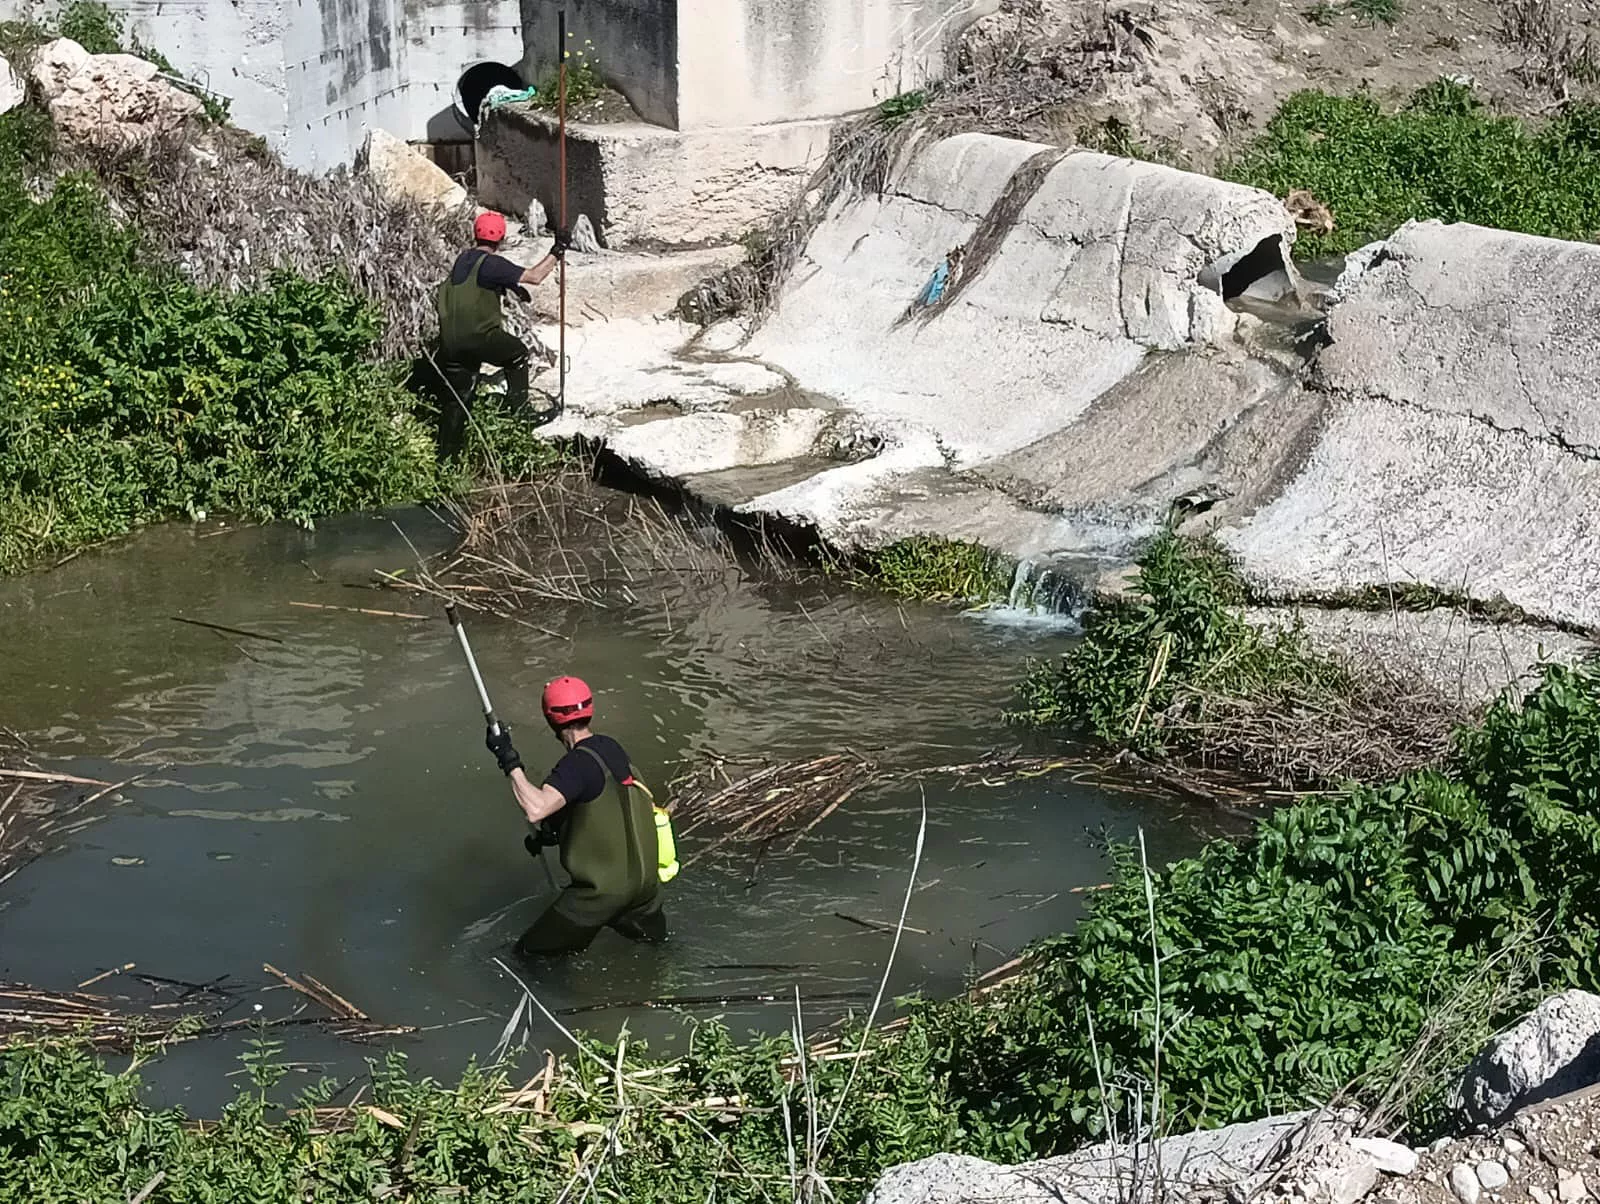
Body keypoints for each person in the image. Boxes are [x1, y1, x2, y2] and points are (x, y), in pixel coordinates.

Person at [484, 675, 669, 958]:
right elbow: (602, 804)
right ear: (589, 710)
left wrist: (507, 758)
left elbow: (536, 807)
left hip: (601, 894)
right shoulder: (612, 749)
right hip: (645, 887)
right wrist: (553, 832)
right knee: (658, 954)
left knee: (527, 957)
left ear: (551, 720)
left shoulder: (576, 765)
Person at [432, 211, 570, 457]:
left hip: (449, 343)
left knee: (458, 400)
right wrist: (557, 251)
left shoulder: (463, 259)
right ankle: (521, 412)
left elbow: (481, 283)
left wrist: (513, 287)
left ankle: (446, 461)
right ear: (502, 238)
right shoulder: (493, 263)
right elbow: (535, 277)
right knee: (517, 354)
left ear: (475, 234)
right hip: (478, 336)